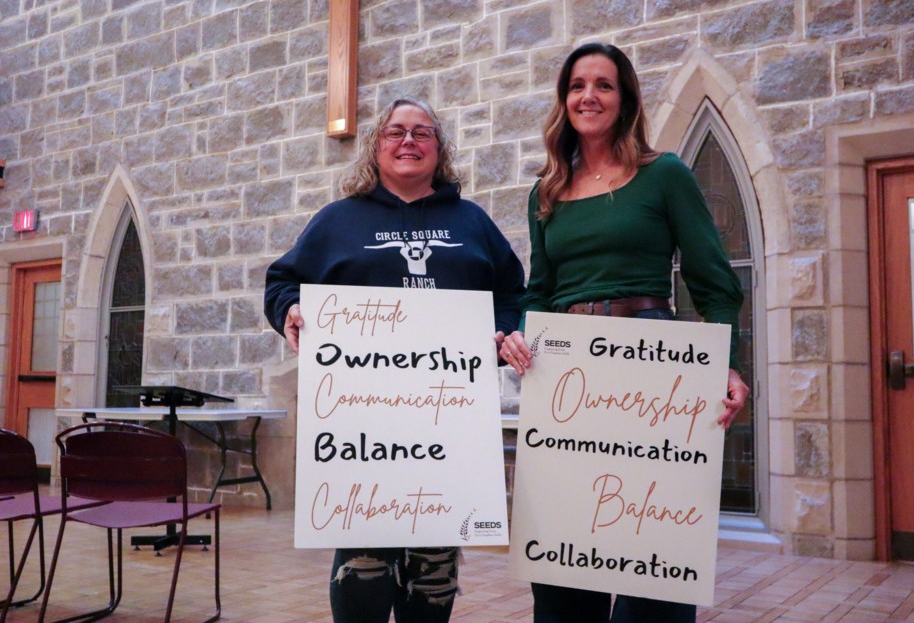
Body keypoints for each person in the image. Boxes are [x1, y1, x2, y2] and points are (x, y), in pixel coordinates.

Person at [498, 43, 750, 623]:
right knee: (564, 548)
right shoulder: (547, 190)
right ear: (565, 100)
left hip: (649, 361)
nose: (590, 96)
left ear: (625, 98)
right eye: (578, 85)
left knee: (650, 544)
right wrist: (520, 335)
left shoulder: (663, 174)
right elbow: (539, 290)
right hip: (565, 374)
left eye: (604, 85)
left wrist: (725, 365)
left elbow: (714, 281)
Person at [264, 97, 525, 623]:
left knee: (433, 566)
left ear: (440, 148)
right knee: (365, 561)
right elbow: (281, 280)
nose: (409, 141)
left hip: (448, 422)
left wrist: (507, 333)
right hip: (362, 424)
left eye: (423, 132)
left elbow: (514, 293)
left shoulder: (472, 222)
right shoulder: (337, 220)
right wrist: (290, 310)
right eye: (395, 132)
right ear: (376, 147)